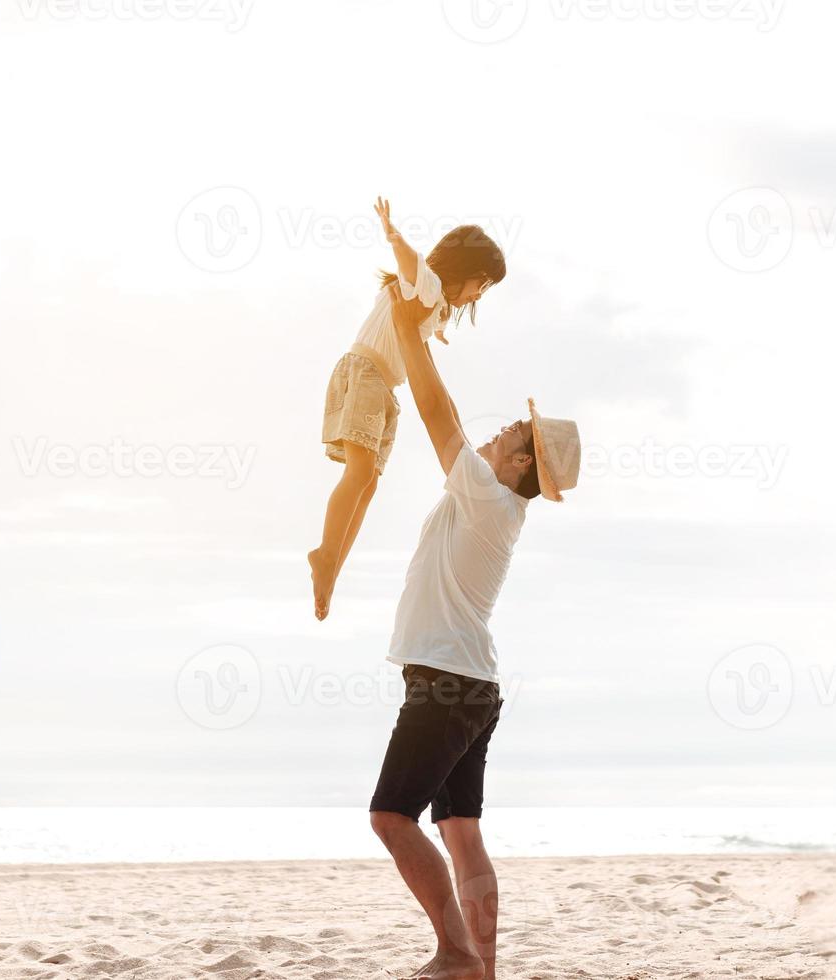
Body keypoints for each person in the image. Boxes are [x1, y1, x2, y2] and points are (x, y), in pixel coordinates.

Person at [366, 285, 580, 980]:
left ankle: (457, 955)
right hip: (473, 685)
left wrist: (409, 332)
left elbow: (436, 411)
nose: (494, 434)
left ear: (518, 465)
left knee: (391, 818)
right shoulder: (492, 506)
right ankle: (480, 970)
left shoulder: (487, 496)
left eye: (508, 436)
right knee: (461, 833)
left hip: (448, 683)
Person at [308, 197, 506, 621]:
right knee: (359, 473)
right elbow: (412, 264)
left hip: (383, 388)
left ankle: (333, 567)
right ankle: (325, 555)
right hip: (365, 374)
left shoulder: (435, 308)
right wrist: (392, 233)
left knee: (369, 483)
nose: (479, 293)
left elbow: (422, 339)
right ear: (463, 268)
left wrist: (435, 331)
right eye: (481, 283)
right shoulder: (429, 284)